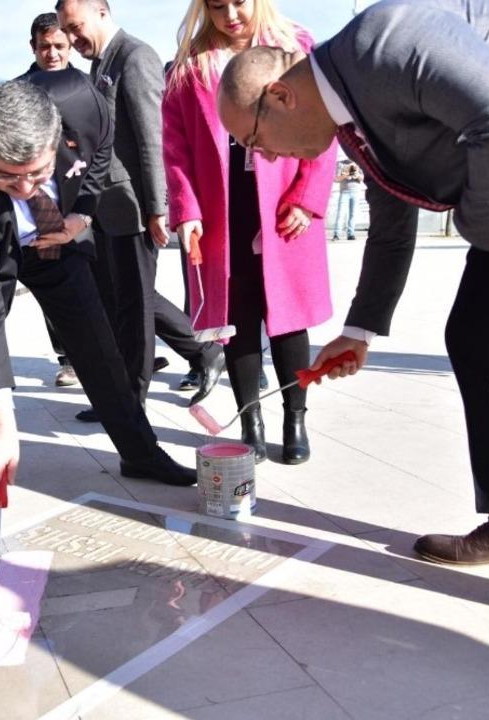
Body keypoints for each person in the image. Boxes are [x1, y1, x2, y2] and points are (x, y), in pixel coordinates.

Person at [216, 0, 489, 572]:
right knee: (481, 333)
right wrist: (358, 331)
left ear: (281, 96)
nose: (262, 157)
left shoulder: (384, 38)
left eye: (254, 139)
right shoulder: (349, 114)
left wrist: (488, 233)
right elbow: (394, 223)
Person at [0, 77, 196, 548]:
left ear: (58, 137)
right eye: (5, 176)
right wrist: (2, 419)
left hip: (53, 234)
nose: (22, 188)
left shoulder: (86, 106)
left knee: (95, 338)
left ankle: (141, 452)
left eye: (36, 173)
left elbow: (100, 155)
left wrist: (81, 212)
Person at [163, 0, 335, 464]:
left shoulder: (294, 47)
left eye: (239, 2)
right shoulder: (190, 63)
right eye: (218, 6)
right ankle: (250, 420)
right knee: (236, 319)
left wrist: (308, 197)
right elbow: (175, 144)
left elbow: (326, 124)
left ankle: (295, 416)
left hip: (282, 197)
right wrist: (186, 208)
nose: (231, 15)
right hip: (223, 203)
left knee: (288, 317)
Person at [56, 0, 226, 423]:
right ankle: (201, 351)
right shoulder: (101, 65)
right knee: (127, 300)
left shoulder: (135, 56)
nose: (73, 41)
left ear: (100, 11)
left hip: (135, 206)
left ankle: (130, 402)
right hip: (109, 206)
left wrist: (158, 207)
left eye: (76, 29)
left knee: (133, 307)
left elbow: (155, 136)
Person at [18, 12, 80, 388]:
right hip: (43, 203)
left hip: (83, 199)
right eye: (45, 47)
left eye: (59, 46)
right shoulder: (21, 91)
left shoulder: (84, 86)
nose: (52, 54)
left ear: (70, 45)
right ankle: (69, 358)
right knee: (52, 277)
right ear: (33, 48)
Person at [331, 160, 361, 241]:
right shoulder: (340, 163)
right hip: (344, 192)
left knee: (353, 214)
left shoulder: (358, 161)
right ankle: (337, 234)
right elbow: (336, 179)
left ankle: (351, 234)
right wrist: (345, 174)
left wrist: (356, 174)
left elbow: (362, 179)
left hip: (356, 192)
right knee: (340, 213)